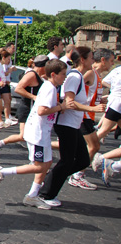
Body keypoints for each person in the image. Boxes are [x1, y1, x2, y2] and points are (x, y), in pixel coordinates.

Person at [0, 59, 68, 210]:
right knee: (39, 166)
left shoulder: (49, 86)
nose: (65, 77)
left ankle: (32, 195)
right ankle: (2, 171)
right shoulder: (50, 88)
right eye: (63, 74)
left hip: (41, 131)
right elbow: (42, 111)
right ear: (53, 74)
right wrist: (60, 107)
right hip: (38, 132)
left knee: (46, 164)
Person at [38, 47, 106, 206]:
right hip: (66, 124)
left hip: (74, 125)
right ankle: (46, 193)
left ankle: (50, 181)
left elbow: (78, 100)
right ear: (82, 59)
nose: (93, 61)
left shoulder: (80, 77)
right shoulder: (75, 77)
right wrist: (92, 109)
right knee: (67, 161)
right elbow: (69, 102)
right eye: (90, 58)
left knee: (82, 160)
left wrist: (95, 103)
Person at [68, 48, 115, 190]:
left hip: (89, 115)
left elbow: (91, 95)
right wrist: (89, 107)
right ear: (103, 60)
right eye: (111, 61)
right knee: (93, 146)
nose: (112, 64)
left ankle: (75, 174)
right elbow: (73, 91)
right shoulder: (90, 73)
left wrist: (100, 102)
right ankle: (76, 175)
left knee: (87, 146)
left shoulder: (97, 75)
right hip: (84, 115)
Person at [0, 55, 48, 158]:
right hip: (26, 109)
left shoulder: (39, 75)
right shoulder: (31, 75)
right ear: (42, 66)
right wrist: (33, 97)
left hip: (33, 110)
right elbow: (18, 89)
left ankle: (36, 159)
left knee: (32, 136)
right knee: (24, 136)